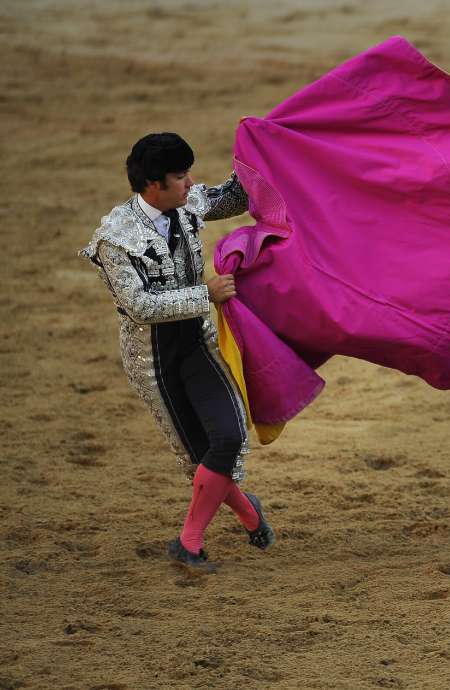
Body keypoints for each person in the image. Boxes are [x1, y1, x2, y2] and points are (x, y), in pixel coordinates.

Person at [80, 132, 274, 572]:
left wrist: (269, 148)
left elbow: (233, 196)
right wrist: (204, 293)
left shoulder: (186, 203)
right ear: (153, 185)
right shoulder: (115, 238)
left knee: (227, 438)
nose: (191, 185)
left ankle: (188, 542)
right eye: (181, 177)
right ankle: (247, 513)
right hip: (155, 361)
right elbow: (139, 306)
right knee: (199, 454)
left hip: (198, 345)